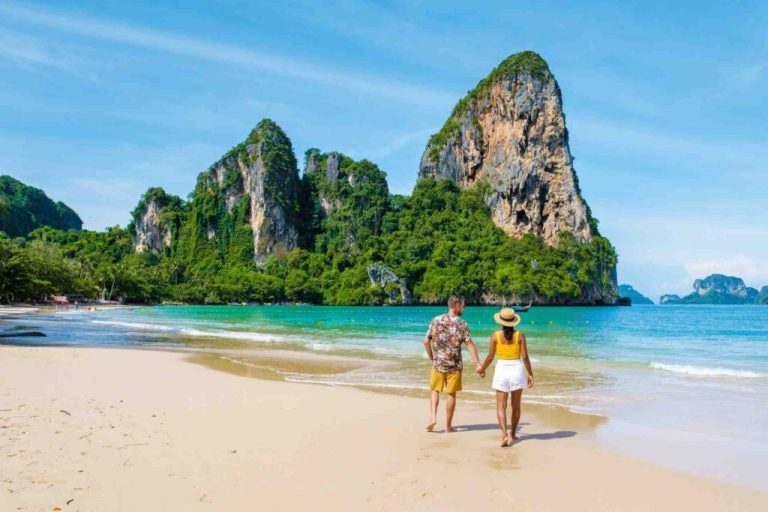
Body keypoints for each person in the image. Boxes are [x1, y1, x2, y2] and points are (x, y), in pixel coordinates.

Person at [423, 295, 483, 433]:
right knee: (451, 394)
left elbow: (426, 341)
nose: (464, 307)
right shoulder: (462, 324)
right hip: (454, 365)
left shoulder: (435, 320)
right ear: (456, 306)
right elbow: (470, 345)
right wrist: (478, 364)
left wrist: (432, 358)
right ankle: (448, 427)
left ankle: (432, 417)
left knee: (434, 390)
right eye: (463, 305)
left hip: (438, 363)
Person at [479, 307, 535, 447]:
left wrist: (482, 368)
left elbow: (490, 356)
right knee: (515, 406)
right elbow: (525, 357)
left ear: (501, 321)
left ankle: (504, 435)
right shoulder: (520, 336)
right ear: (514, 321)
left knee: (500, 406)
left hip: (501, 370)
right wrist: (530, 373)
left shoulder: (495, 336)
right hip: (517, 369)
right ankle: (513, 434)